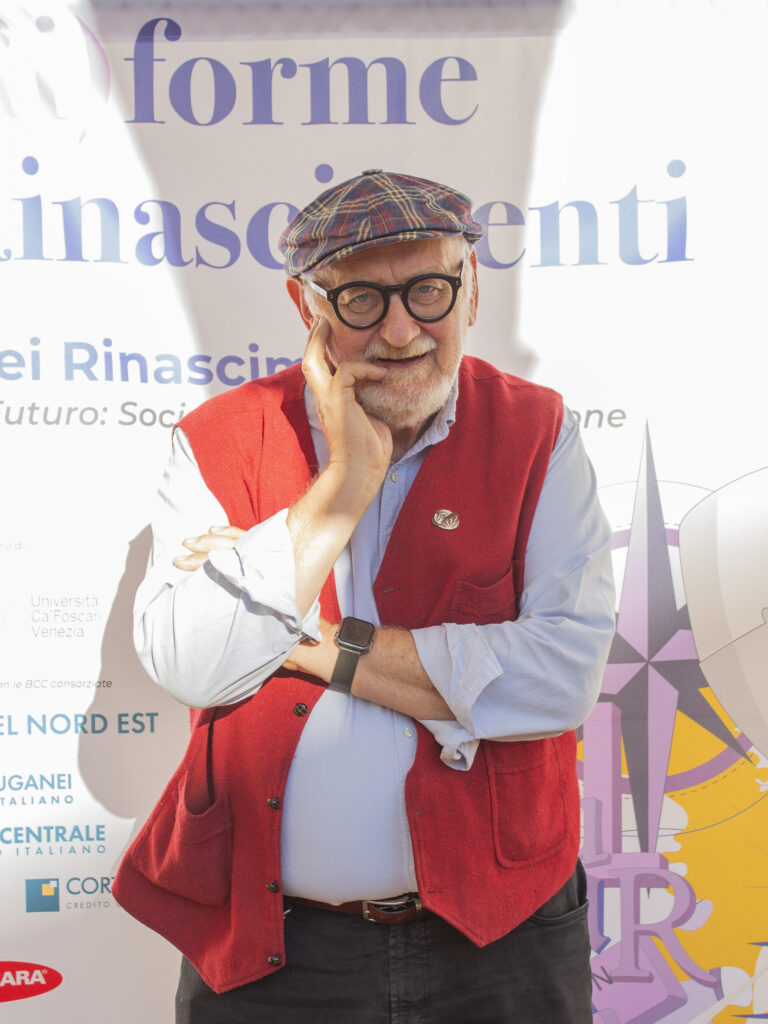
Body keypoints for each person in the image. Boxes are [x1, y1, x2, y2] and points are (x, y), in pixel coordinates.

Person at [113, 169, 616, 1024]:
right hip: (275, 953)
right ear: (306, 306)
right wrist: (345, 485)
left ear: (472, 289)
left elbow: (561, 679)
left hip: (505, 938)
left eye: (428, 291)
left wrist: (301, 638)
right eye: (360, 300)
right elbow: (195, 665)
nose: (400, 329)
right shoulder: (217, 438)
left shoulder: (540, 432)